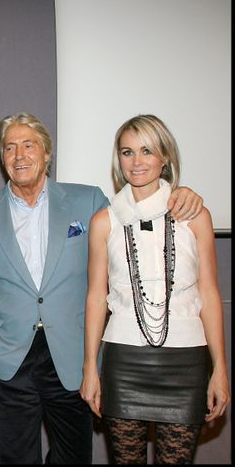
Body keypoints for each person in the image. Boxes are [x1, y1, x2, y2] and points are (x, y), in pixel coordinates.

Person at [0, 112, 204, 464]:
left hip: (71, 356)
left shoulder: (89, 201)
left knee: (74, 458)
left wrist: (181, 193)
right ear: (1, 157)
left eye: (29, 145)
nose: (19, 155)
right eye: (10, 147)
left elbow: (141, 213)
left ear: (47, 154)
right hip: (9, 360)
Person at [79, 114, 230, 464]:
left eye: (147, 151)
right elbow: (95, 298)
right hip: (123, 360)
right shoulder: (104, 221)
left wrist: (220, 367)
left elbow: (209, 293)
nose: (136, 162)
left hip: (186, 361)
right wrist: (90, 366)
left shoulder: (196, 215)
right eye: (127, 152)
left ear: (165, 157)